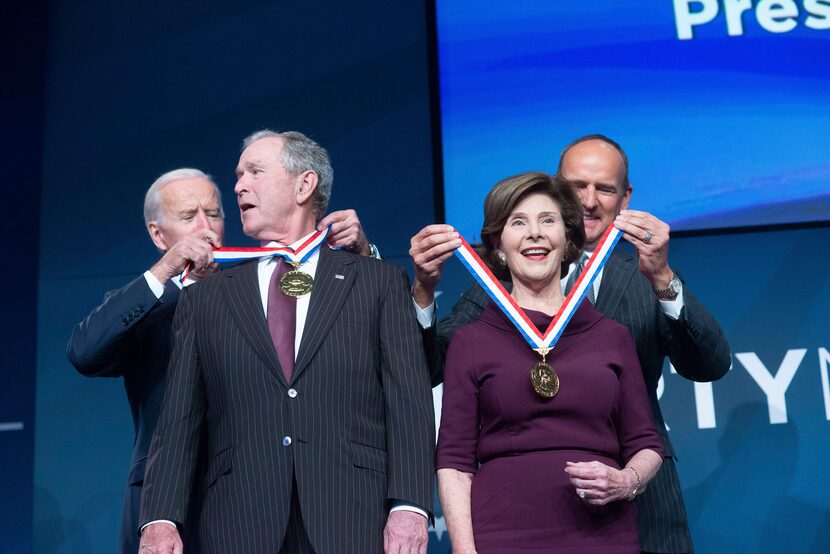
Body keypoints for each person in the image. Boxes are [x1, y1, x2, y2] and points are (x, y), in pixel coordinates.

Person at [411, 135, 732, 553]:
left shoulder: (643, 279)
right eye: (578, 186)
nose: (590, 201)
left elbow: (710, 364)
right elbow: (429, 365)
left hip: (640, 515)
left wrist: (663, 279)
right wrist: (421, 293)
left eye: (605, 189)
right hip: (513, 523)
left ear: (625, 197)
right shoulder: (496, 291)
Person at [138, 130, 435, 554]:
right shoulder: (206, 297)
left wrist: (409, 506)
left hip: (353, 518)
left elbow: (409, 404)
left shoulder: (377, 281)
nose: (239, 185)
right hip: (239, 521)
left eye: (255, 171)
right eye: (238, 175)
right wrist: (160, 519)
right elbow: (178, 422)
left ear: (304, 184)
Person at [66, 168, 374, 553]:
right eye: (187, 217)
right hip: (166, 511)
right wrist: (166, 271)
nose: (204, 226)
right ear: (158, 235)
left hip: (254, 502)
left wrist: (363, 254)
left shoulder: (263, 287)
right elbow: (84, 352)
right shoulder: (146, 306)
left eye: (213, 214)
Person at [436, 172, 664, 552]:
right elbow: (455, 462)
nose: (535, 233)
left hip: (604, 535)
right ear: (497, 244)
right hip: (503, 536)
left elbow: (646, 443)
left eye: (548, 220)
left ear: (569, 238)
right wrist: (464, 549)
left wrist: (627, 481)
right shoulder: (470, 341)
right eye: (518, 222)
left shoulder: (613, 337)